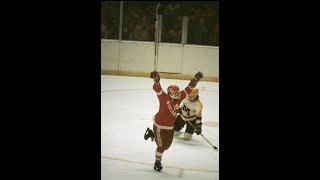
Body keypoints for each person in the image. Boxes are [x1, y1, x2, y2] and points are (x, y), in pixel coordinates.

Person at [144, 71, 203, 172]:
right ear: (170, 92)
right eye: (174, 93)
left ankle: (151, 134)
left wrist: (195, 80)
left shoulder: (179, 97)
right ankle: (157, 162)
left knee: (167, 146)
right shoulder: (164, 97)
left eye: (177, 93)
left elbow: (188, 88)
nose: (177, 94)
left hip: (170, 127)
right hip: (159, 125)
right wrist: (156, 80)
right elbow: (157, 88)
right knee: (161, 147)